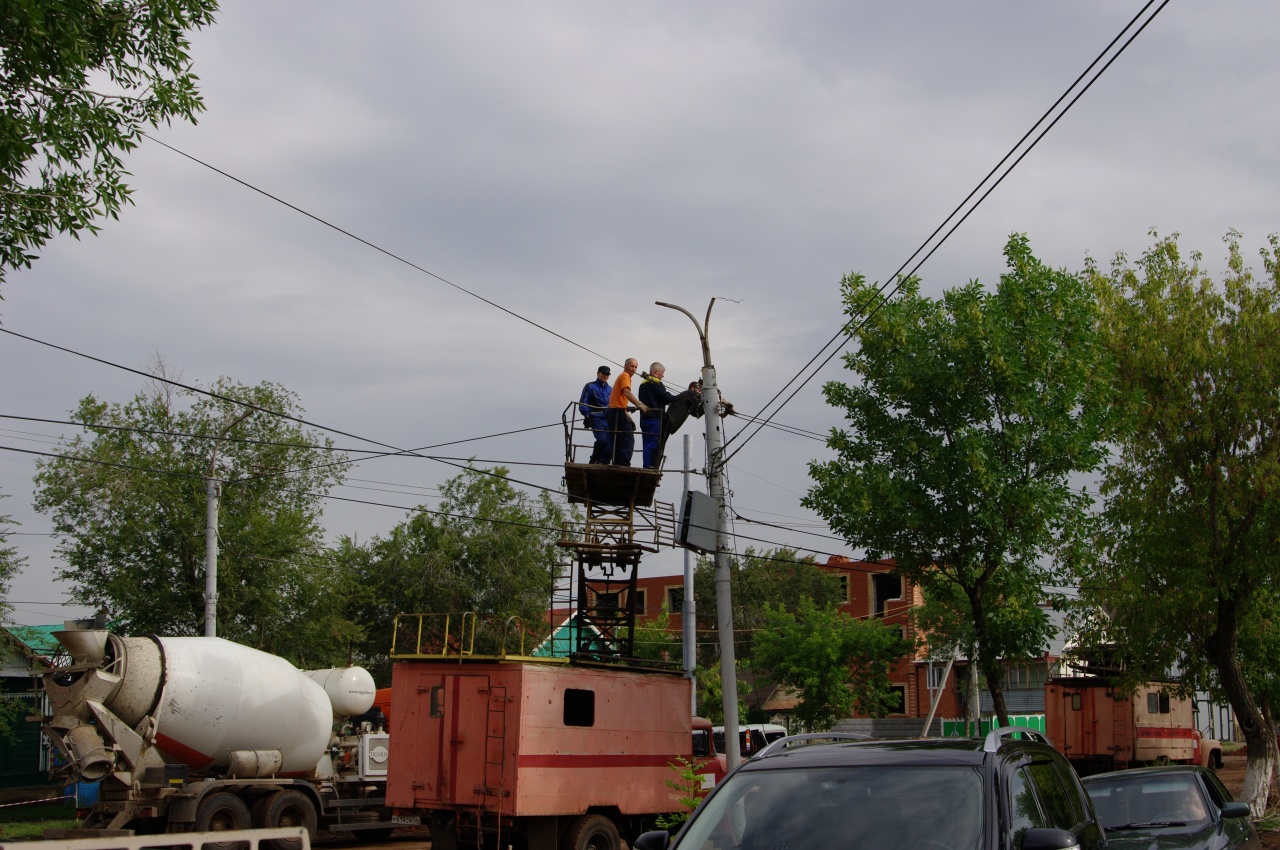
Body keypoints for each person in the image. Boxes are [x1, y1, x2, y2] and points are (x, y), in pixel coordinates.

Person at [607, 358, 649, 465]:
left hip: (615, 411)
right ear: (625, 366)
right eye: (632, 366)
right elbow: (626, 392)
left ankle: (617, 462)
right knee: (627, 438)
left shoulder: (623, 376)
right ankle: (623, 463)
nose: (634, 369)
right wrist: (639, 404)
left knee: (618, 438)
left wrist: (627, 411)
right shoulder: (625, 376)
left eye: (635, 367)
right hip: (617, 411)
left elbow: (621, 398)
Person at [638, 362, 680, 468]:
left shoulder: (643, 384)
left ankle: (647, 465)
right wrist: (677, 398)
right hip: (654, 418)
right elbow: (665, 396)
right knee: (652, 443)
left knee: (646, 442)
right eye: (662, 373)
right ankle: (649, 466)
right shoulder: (655, 383)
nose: (663, 376)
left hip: (644, 418)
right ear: (656, 372)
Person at [659, 380, 705, 460]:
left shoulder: (691, 400)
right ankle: (655, 462)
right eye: (699, 390)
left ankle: (656, 462)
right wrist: (708, 396)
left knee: (661, 445)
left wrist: (706, 405)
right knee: (660, 444)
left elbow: (697, 413)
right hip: (668, 420)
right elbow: (696, 397)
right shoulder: (688, 393)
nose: (700, 392)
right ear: (692, 388)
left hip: (670, 422)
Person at [578, 365, 612, 463]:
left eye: (607, 374)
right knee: (602, 440)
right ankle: (594, 460)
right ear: (598, 373)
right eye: (603, 373)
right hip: (596, 417)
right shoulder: (590, 386)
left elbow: (613, 404)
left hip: (608, 418)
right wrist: (587, 416)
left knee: (610, 445)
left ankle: (603, 462)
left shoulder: (610, 389)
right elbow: (583, 401)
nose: (605, 376)